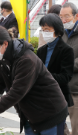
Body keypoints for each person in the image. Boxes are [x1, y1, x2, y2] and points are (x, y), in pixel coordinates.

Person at [0, 25, 68, 135]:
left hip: (50, 112)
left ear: (5, 44)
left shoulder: (26, 60)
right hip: (30, 115)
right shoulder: (1, 60)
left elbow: (17, 92)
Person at [37, 13, 74, 134]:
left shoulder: (66, 50)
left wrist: (44, 76)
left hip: (58, 97)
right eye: (42, 30)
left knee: (57, 130)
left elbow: (66, 76)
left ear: (57, 30)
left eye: (47, 29)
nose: (44, 32)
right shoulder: (42, 50)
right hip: (41, 97)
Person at [60, 2, 78, 135]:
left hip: (75, 88)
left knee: (76, 126)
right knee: (58, 123)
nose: (63, 20)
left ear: (76, 16)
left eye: (67, 16)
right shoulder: (61, 32)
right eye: (61, 17)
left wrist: (67, 64)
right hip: (60, 87)